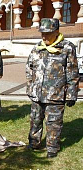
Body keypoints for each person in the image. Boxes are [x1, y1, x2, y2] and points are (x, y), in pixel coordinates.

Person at [26, 18, 79, 158]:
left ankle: (52, 148)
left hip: (56, 94)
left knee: (54, 123)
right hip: (37, 94)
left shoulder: (67, 48)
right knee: (35, 120)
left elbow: (73, 72)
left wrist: (71, 94)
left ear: (56, 31)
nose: (44, 36)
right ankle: (34, 144)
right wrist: (30, 87)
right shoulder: (37, 48)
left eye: (48, 33)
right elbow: (29, 68)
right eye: (42, 33)